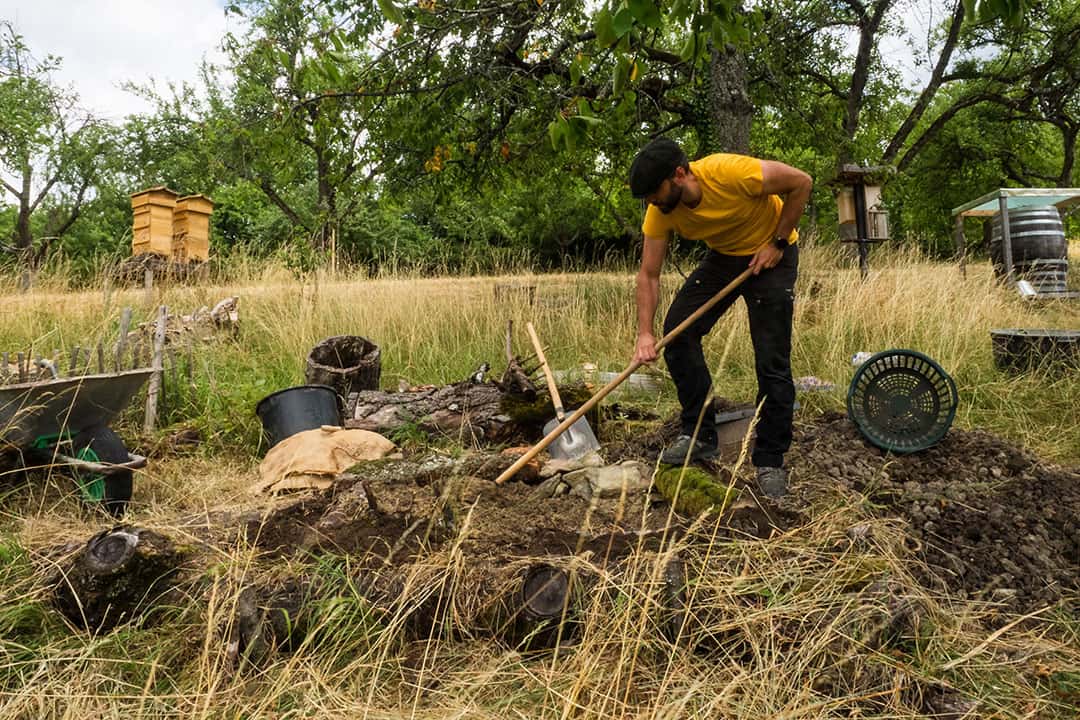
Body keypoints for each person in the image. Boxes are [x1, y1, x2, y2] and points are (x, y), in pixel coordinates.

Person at [629, 137, 812, 498]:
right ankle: (699, 435)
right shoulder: (659, 211)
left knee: (771, 359)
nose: (651, 201)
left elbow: (801, 182)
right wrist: (645, 334)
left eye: (655, 192)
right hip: (725, 259)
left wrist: (776, 244)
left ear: (679, 174)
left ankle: (770, 460)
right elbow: (648, 275)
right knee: (677, 336)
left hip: (772, 252)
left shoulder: (731, 173)